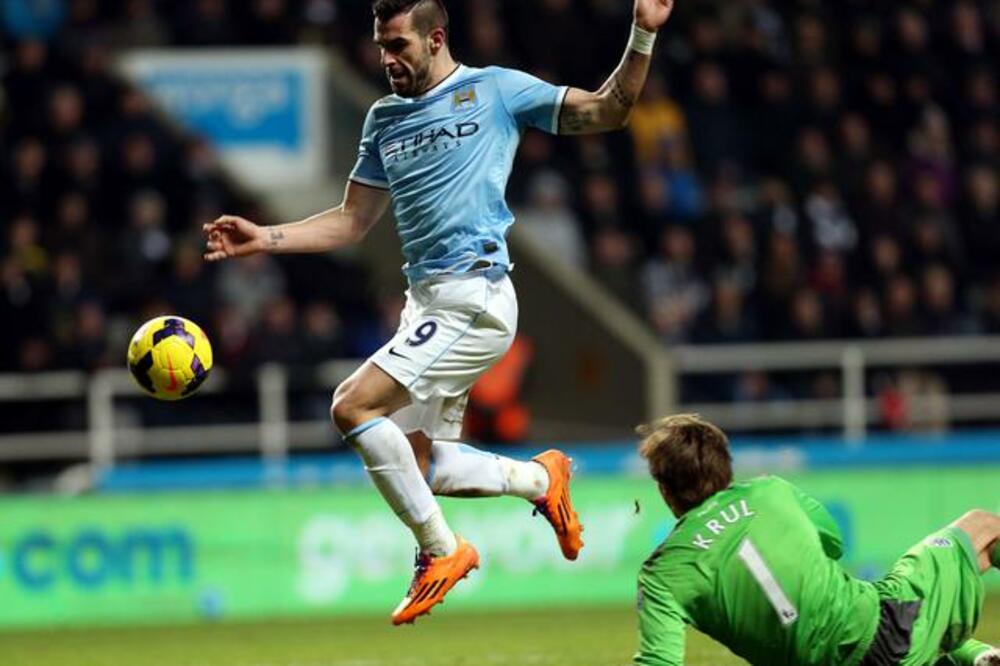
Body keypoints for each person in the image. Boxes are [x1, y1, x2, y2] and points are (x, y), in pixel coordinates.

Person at [203, 0, 676, 625]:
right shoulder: (383, 119)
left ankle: (441, 550)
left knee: (352, 405)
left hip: (476, 296)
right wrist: (263, 237)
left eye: (398, 45)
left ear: (436, 39)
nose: (385, 58)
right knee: (425, 465)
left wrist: (642, 31)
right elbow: (351, 221)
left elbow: (609, 110)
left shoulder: (496, 91)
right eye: (380, 45)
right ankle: (542, 481)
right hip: (425, 302)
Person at [633, 413, 1000, 666]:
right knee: (982, 528)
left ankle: (975, 655)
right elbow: (834, 542)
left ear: (665, 490)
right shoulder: (769, 492)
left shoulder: (661, 574)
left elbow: (660, 661)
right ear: (725, 465)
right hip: (883, 635)